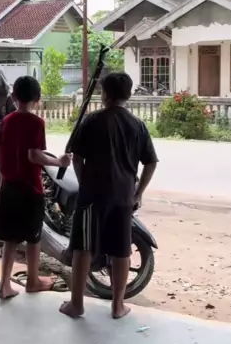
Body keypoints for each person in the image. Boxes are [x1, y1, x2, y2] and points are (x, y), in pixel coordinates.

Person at [60, 72, 158, 321]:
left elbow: (77, 158)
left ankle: (76, 304)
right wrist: (138, 193)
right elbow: (150, 162)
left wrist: (84, 183)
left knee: (83, 247)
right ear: (128, 95)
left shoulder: (92, 120)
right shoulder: (137, 125)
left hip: (92, 197)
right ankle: (117, 306)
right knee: (121, 250)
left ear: (104, 94)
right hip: (123, 198)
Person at [0, 75, 71, 300]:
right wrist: (59, 162)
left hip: (9, 186)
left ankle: (4, 284)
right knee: (33, 237)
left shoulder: (7, 121)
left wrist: (3, 175)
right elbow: (34, 155)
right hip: (29, 189)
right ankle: (33, 280)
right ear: (38, 98)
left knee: (10, 238)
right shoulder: (36, 123)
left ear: (13, 96)